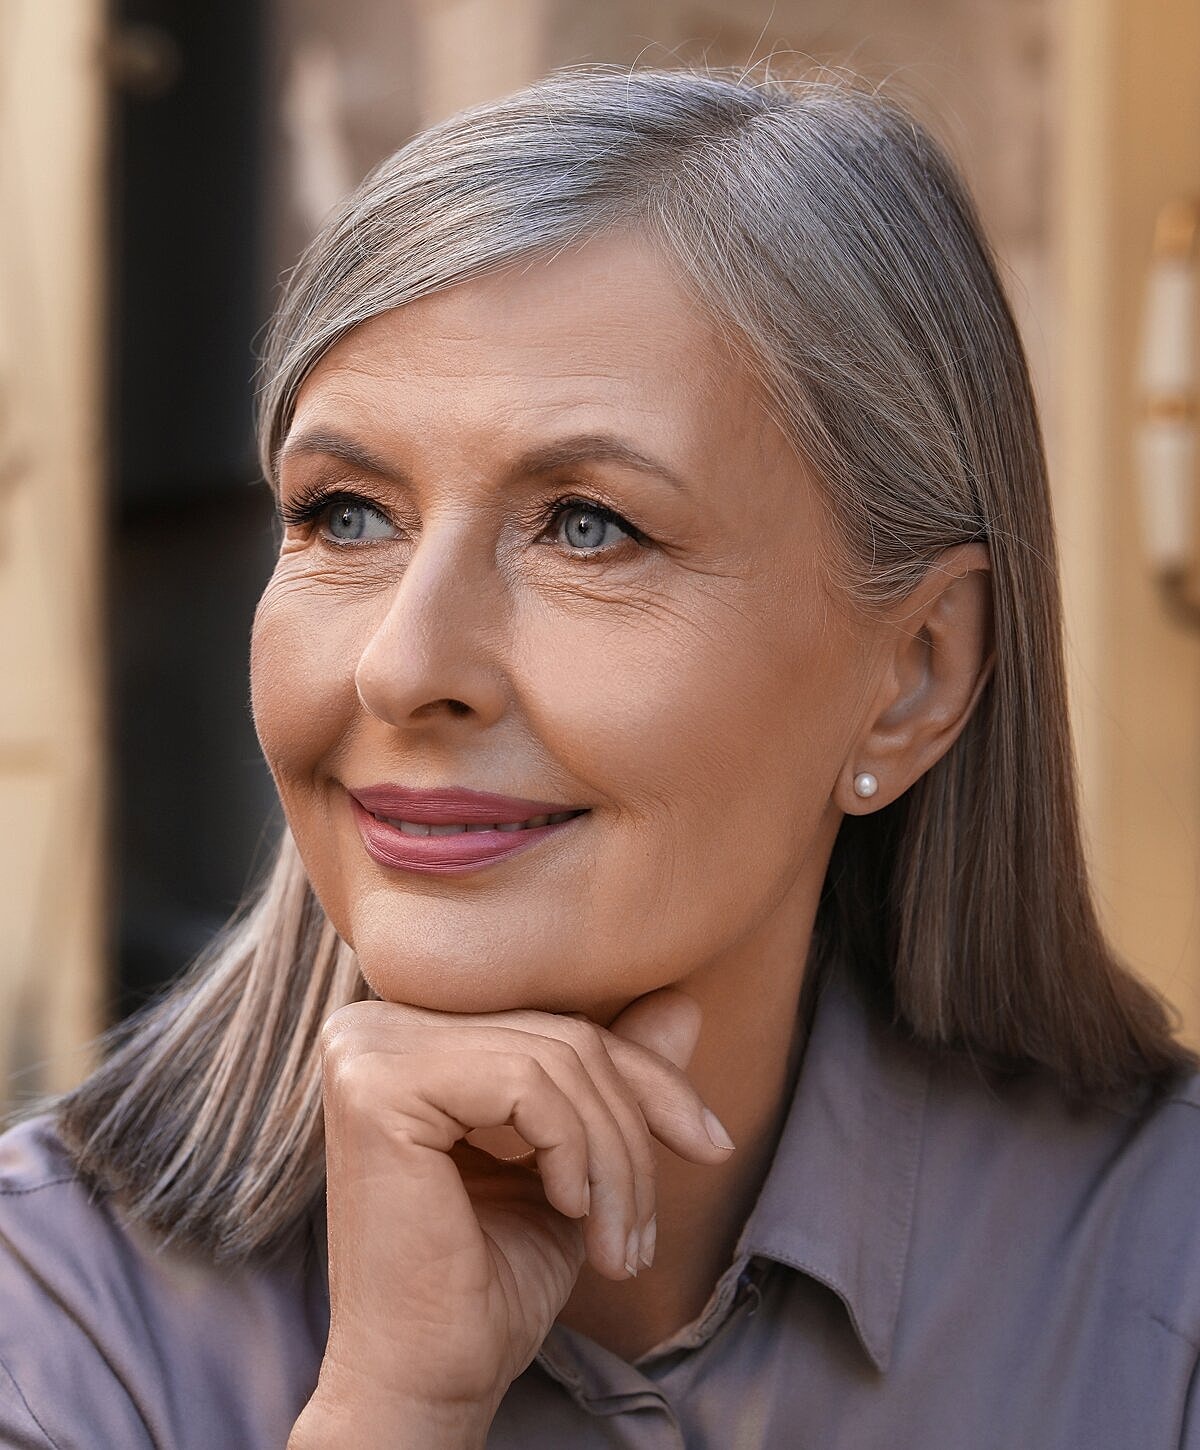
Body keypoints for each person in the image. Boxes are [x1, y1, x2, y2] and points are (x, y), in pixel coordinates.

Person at [2, 64, 1200, 1450]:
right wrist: (392, 1410)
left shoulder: (1159, 1282)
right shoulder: (58, 1315)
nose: (401, 664)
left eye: (587, 526)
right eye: (343, 514)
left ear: (914, 673)